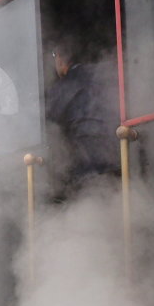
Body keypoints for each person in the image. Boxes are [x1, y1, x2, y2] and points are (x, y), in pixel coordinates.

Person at [46, 40, 120, 196]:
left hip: (87, 165)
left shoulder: (64, 86)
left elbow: (50, 125)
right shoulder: (104, 73)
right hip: (119, 158)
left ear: (59, 58)